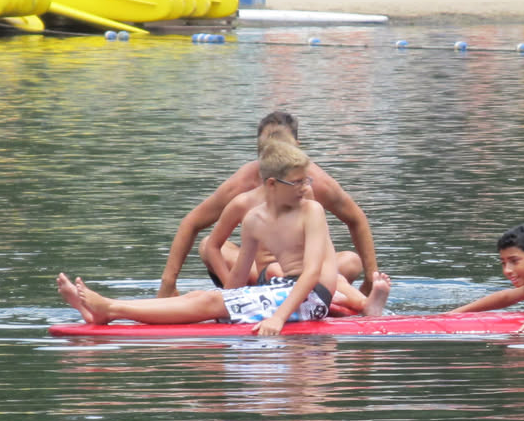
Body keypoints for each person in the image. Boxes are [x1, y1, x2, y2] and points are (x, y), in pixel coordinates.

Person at [59, 139, 391, 336]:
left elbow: (313, 273)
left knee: (211, 302)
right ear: (272, 185)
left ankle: (110, 309)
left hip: (311, 297)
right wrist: (224, 305)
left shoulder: (312, 211)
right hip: (281, 290)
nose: (307, 187)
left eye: (307, 180)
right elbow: (236, 281)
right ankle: (105, 312)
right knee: (204, 297)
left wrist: (277, 317)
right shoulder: (254, 219)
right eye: (299, 182)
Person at [157, 111, 377, 296]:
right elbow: (192, 223)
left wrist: (370, 280)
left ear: (296, 148)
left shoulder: (313, 184)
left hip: (308, 272)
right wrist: (169, 283)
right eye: (268, 149)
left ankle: (351, 300)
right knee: (211, 246)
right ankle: (249, 293)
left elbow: (356, 219)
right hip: (258, 273)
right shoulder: (244, 189)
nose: (275, 154)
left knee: (351, 261)